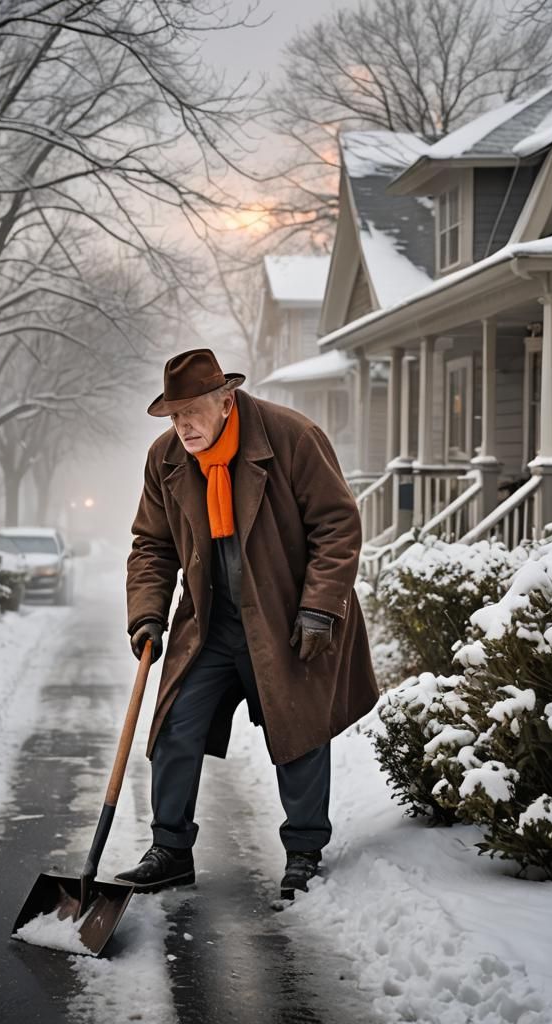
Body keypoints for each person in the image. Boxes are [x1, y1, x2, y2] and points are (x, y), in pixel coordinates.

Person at [117, 348, 378, 899]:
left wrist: (320, 607)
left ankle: (304, 850)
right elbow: (152, 545)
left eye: (191, 411)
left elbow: (337, 527)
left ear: (226, 400)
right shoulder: (166, 458)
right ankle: (170, 849)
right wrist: (146, 612)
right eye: (173, 414)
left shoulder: (290, 439)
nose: (182, 425)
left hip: (286, 617)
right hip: (210, 623)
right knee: (174, 726)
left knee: (297, 728)